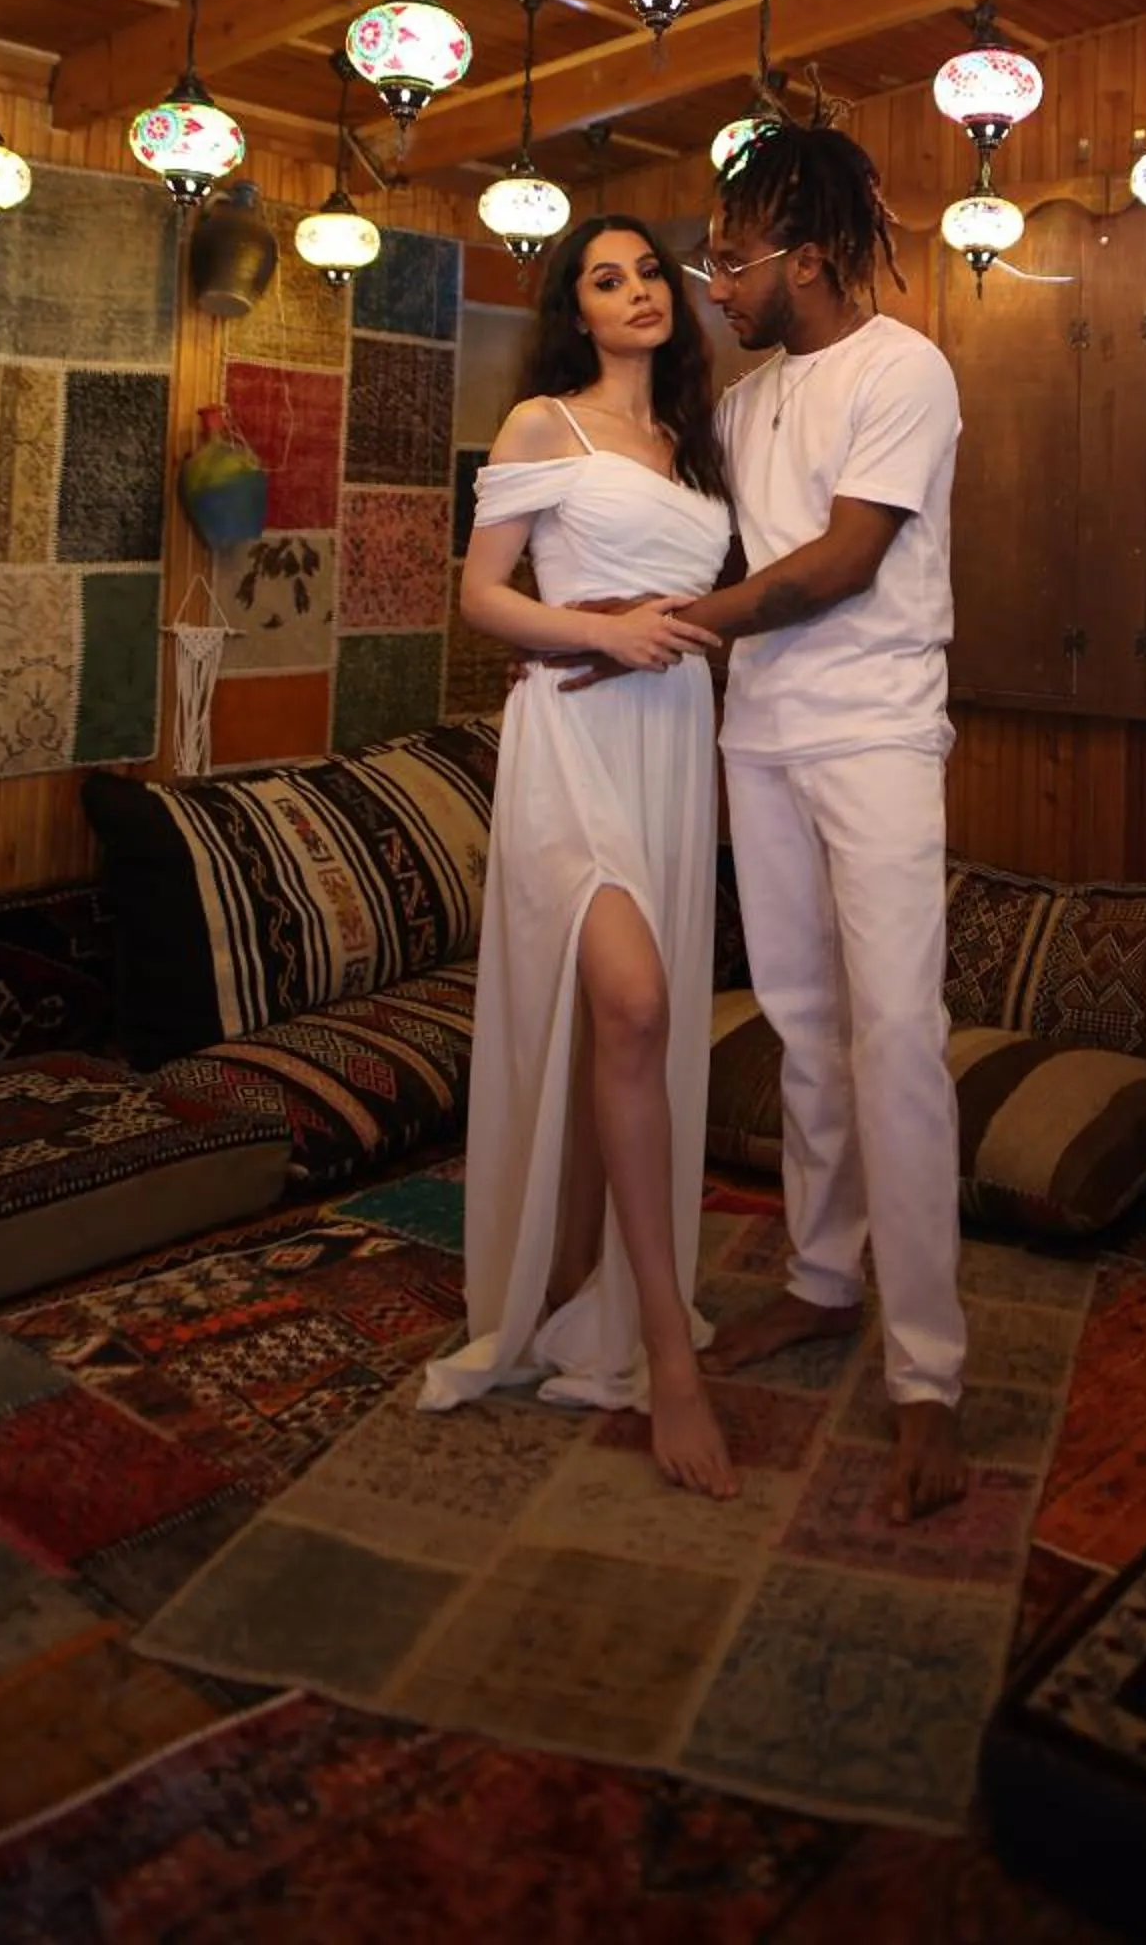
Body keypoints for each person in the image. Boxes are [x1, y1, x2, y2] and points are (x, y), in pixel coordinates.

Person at [417, 216, 736, 1500]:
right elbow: (481, 595)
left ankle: (573, 1280)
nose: (638, 291)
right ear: (577, 312)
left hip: (675, 750)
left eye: (651, 271)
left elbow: (717, 606)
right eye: (608, 280)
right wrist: (594, 634)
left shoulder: (700, 449)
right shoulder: (547, 424)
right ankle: (668, 1355)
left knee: (636, 1038)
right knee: (636, 999)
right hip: (571, 740)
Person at [682, 119, 968, 1523]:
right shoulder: (742, 408)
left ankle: (928, 1375)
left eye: (730, 262)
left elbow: (841, 565)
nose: (716, 289)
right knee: (798, 1023)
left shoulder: (906, 368)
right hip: (762, 736)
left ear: (805, 256)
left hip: (875, 736)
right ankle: (817, 1276)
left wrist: (684, 621)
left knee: (895, 1036)